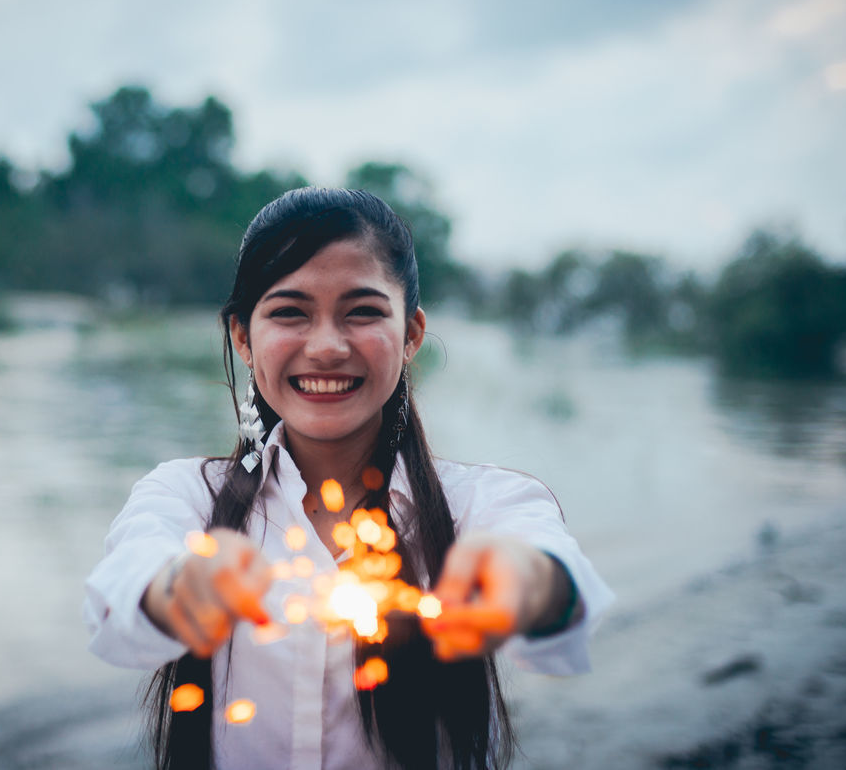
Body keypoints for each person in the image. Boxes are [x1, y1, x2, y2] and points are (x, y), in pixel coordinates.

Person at [83, 187, 612, 769]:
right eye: (290, 312)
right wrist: (178, 589)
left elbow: (558, 580)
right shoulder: (187, 496)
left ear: (411, 335)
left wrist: (527, 583)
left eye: (362, 312)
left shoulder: (480, 505)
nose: (328, 346)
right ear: (243, 338)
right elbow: (123, 591)